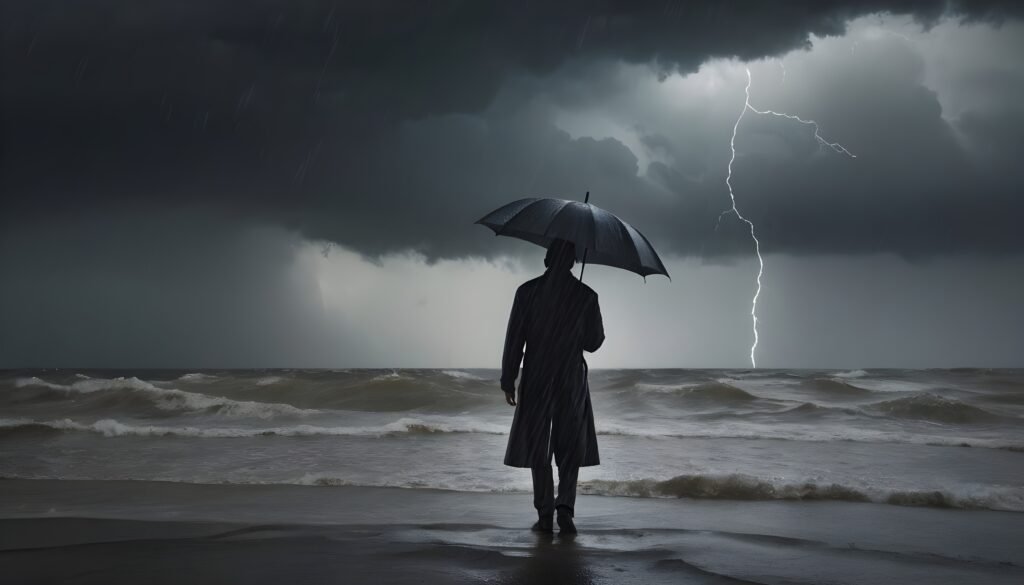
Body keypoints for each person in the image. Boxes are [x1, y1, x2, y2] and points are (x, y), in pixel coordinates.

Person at [500, 238, 604, 535]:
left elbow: (515, 340)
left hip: (536, 378)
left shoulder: (527, 292)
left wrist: (509, 379)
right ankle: (566, 511)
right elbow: (594, 343)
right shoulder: (586, 295)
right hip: (571, 379)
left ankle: (545, 511)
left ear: (547, 259)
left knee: (538, 445)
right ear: (572, 261)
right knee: (570, 446)